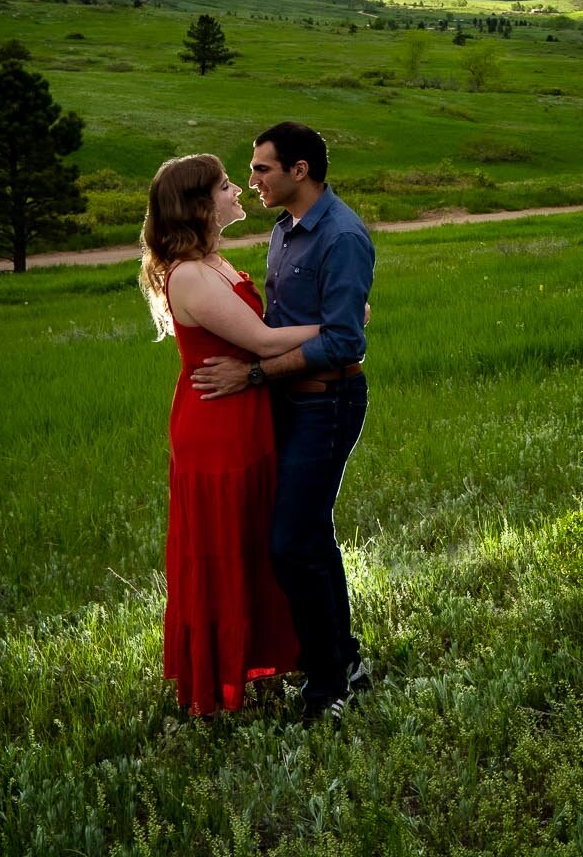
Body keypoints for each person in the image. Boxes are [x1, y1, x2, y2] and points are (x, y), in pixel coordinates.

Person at [191, 120, 374, 721]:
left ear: (300, 171)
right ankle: (344, 663)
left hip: (326, 402)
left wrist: (253, 376)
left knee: (293, 542)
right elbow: (278, 323)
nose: (252, 180)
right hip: (289, 405)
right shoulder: (284, 231)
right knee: (309, 535)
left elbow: (345, 342)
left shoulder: (342, 237)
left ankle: (329, 683)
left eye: (262, 169)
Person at [140, 153, 319, 717]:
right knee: (223, 546)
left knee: (251, 541)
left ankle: (258, 664)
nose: (238, 189)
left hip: (242, 412)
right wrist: (340, 323)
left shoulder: (213, 261)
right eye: (224, 185)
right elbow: (266, 343)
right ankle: (220, 681)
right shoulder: (190, 275)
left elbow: (259, 338)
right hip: (215, 423)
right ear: (198, 205)